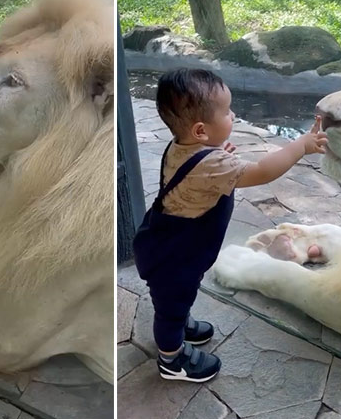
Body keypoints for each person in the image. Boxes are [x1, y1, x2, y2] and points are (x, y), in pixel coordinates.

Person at [133, 68, 327, 382]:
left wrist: (217, 154)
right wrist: (300, 146)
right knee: (170, 306)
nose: (233, 114)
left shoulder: (185, 148)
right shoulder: (212, 164)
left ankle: (180, 324)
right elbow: (263, 171)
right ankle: (171, 359)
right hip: (174, 256)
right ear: (200, 131)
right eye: (226, 111)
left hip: (166, 244)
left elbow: (197, 177)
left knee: (178, 298)